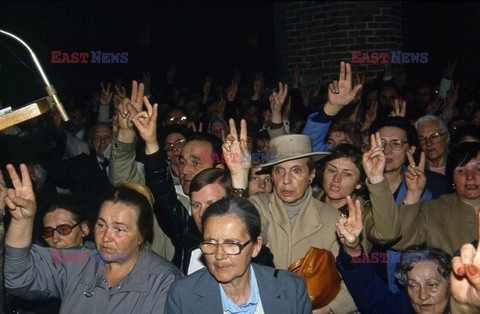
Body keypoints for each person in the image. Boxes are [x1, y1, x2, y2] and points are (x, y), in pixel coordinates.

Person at [3, 165, 182, 313]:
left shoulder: (163, 281)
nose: (106, 237)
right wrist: (22, 221)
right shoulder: (81, 260)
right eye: (101, 225)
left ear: (142, 235)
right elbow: (19, 277)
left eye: (119, 229)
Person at [165, 196, 312, 313]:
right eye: (210, 243)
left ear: (256, 246)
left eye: (231, 244)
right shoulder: (182, 296)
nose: (219, 255)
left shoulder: (291, 289)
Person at [335, 196, 452, 313]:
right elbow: (367, 288)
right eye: (413, 286)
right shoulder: (401, 308)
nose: (422, 296)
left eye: (432, 285)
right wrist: (353, 248)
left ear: (451, 286)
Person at [393, 141, 480, 255]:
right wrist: (414, 193)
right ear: (452, 179)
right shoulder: (433, 210)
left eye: (478, 169)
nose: (470, 177)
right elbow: (402, 242)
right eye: (461, 170)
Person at [315, 139, 400, 253]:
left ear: (359, 184)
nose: (336, 179)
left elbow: (388, 235)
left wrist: (376, 178)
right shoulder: (307, 200)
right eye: (331, 170)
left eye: (347, 174)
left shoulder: (364, 213)